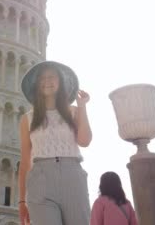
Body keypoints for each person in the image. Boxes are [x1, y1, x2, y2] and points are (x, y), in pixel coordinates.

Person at [18, 61, 93, 225]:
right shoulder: (27, 119)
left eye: (52, 77)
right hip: (40, 180)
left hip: (72, 176)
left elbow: (85, 141)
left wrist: (82, 107)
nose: (47, 81)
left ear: (60, 81)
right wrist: (22, 201)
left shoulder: (73, 111)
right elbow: (25, 161)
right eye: (42, 78)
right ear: (37, 84)